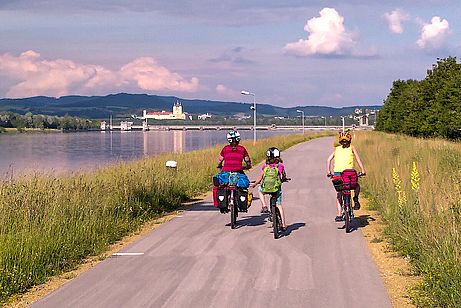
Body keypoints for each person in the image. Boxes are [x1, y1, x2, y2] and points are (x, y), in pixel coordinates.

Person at [326, 130, 366, 222]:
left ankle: (339, 214)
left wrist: (329, 172)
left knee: (339, 193)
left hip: (337, 174)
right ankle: (355, 198)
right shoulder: (352, 147)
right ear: (349, 141)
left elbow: (328, 160)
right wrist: (363, 170)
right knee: (355, 186)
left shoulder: (337, 149)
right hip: (349, 173)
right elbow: (358, 159)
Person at [250, 147, 288, 231]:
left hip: (266, 188)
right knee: (279, 205)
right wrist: (284, 179)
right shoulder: (280, 166)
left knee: (260, 190)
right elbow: (283, 176)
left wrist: (255, 184)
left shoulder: (265, 167)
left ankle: (264, 205)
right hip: (276, 188)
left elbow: (260, 178)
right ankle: (284, 224)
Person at [215, 130, 252, 213]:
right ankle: (241, 204)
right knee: (242, 186)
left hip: (226, 171)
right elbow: (247, 160)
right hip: (238, 171)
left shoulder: (225, 148)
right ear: (238, 139)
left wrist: (219, 166)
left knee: (221, 186)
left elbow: (220, 160)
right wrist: (247, 166)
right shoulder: (242, 149)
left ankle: (222, 204)